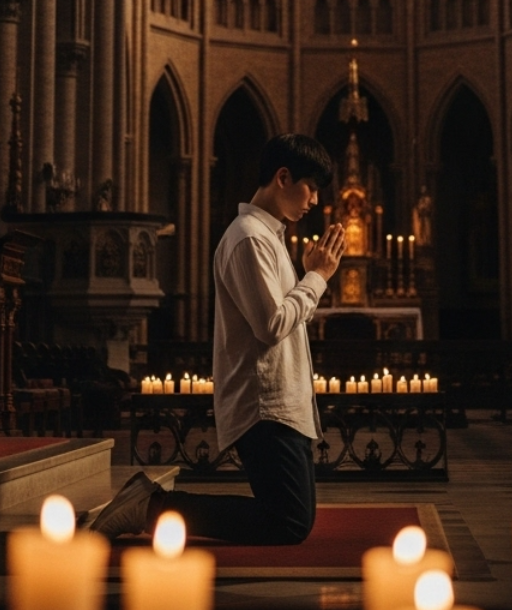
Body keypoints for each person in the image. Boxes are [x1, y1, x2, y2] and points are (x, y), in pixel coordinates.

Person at [90, 133, 346, 544]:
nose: (315, 200)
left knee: (293, 517)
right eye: (311, 187)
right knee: (289, 522)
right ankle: (151, 506)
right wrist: (317, 277)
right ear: (283, 177)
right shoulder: (249, 238)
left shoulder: (269, 237)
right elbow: (272, 325)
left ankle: (151, 505)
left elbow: (285, 320)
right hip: (266, 403)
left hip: (284, 400)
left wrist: (309, 277)